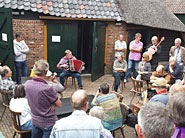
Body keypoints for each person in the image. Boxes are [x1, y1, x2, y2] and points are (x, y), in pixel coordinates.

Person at [25, 59, 62, 138]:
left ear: (34, 71)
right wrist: (53, 102)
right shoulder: (47, 88)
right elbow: (59, 104)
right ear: (46, 73)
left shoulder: (27, 84)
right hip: (48, 122)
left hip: (35, 119)